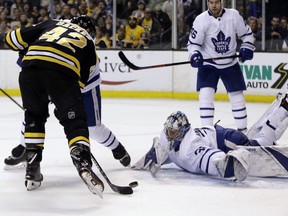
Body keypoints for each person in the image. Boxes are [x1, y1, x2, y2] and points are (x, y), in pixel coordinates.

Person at [4, 15, 104, 197]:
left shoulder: (53, 24)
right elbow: (79, 84)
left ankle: (32, 166)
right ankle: (82, 159)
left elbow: (11, 39)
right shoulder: (90, 44)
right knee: (75, 122)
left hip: (30, 69)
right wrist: (64, 107)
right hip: (62, 74)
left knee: (34, 117)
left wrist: (22, 48)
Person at [132, 93, 288, 181]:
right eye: (168, 131)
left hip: (228, 141)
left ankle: (282, 109)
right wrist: (146, 160)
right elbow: (159, 151)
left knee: (262, 144)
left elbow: (215, 159)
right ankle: (281, 105)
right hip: (219, 135)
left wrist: (228, 163)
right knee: (257, 138)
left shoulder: (190, 148)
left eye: (174, 132)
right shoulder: (167, 137)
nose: (169, 135)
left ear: (184, 130)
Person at [187, 0, 255, 133]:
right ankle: (207, 132)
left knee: (237, 97)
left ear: (222, 2)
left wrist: (247, 46)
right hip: (208, 64)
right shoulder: (201, 20)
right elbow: (193, 44)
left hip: (230, 63)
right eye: (211, 2)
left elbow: (247, 35)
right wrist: (194, 54)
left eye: (216, 2)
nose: (214, 5)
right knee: (205, 96)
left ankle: (243, 132)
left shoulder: (233, 15)